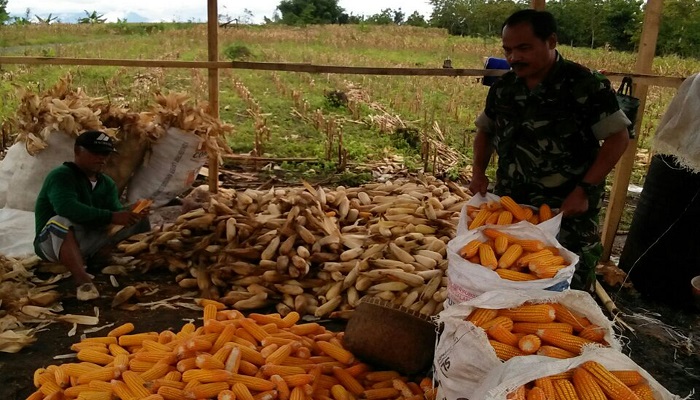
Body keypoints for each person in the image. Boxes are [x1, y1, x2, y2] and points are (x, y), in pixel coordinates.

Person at [469, 9, 630, 291]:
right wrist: (478, 171)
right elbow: (486, 130)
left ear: (551, 41)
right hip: (514, 208)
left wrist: (584, 190)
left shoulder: (584, 85)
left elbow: (618, 139)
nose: (513, 57)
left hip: (566, 209)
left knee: (569, 284)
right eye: (507, 50)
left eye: (523, 48)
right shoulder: (504, 88)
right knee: (510, 282)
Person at [34, 130, 150, 301]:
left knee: (135, 216)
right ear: (77, 151)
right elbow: (66, 208)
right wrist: (112, 217)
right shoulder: (61, 176)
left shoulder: (107, 183)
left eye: (105, 154)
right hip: (53, 243)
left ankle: (102, 258)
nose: (101, 158)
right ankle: (83, 281)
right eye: (95, 153)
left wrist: (132, 215)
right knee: (60, 221)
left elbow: (116, 214)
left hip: (88, 240)